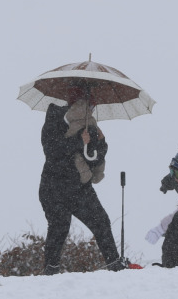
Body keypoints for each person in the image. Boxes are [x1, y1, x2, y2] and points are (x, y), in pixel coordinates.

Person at [38, 95, 125, 274]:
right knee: (59, 226)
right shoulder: (54, 117)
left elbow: (93, 161)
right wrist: (78, 141)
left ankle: (115, 266)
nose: (92, 109)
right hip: (54, 186)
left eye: (92, 106)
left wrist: (101, 143)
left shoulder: (89, 125)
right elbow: (52, 152)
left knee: (101, 222)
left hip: (79, 187)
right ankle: (50, 271)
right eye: (89, 105)